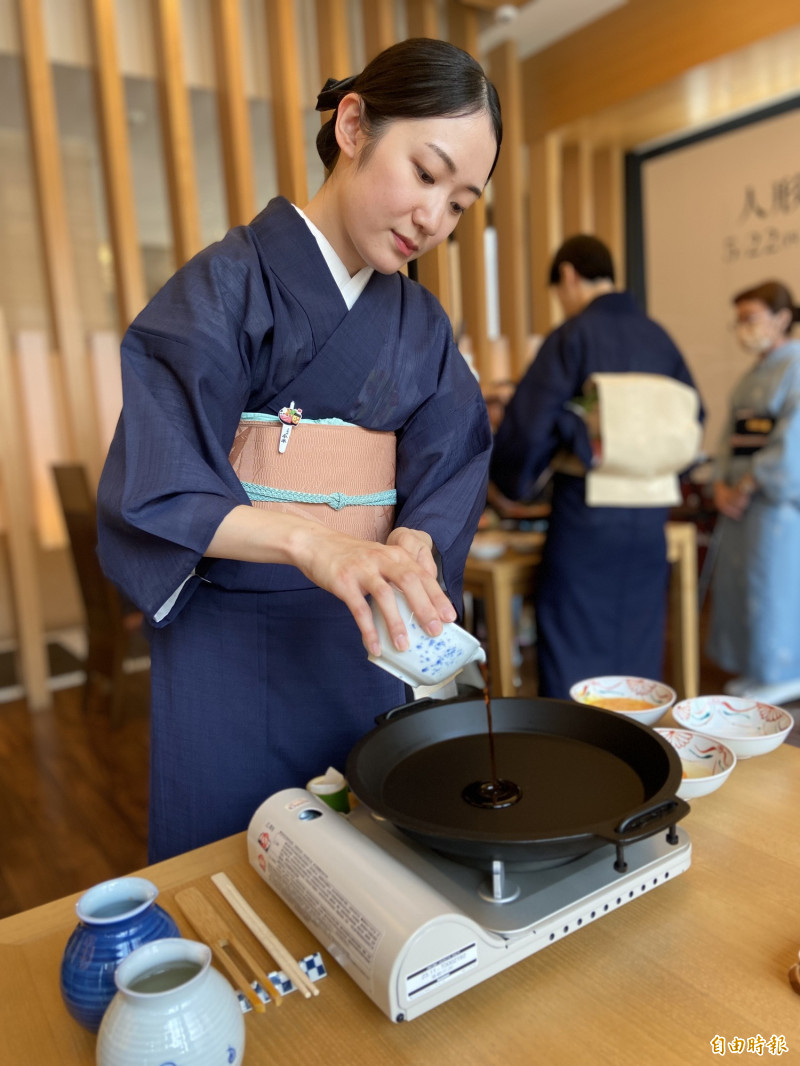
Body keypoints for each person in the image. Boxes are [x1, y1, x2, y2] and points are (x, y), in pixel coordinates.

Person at [96, 38, 502, 861]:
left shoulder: (421, 325)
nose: (434, 219)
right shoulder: (224, 285)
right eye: (426, 174)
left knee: (369, 862)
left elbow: (453, 457)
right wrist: (312, 543)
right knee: (231, 866)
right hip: (233, 635)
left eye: (460, 204)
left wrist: (417, 540)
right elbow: (159, 483)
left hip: (365, 634)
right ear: (352, 126)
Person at [490, 235, 701, 699]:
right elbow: (694, 420)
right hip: (649, 519)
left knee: (574, 640)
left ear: (568, 276)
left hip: (587, 517)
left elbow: (527, 429)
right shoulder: (660, 338)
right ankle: (636, 738)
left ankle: (576, 742)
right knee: (637, 639)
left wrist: (512, 481)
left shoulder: (573, 336)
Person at [706, 280, 800, 702]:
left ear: (782, 318)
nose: (744, 328)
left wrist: (748, 482)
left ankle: (784, 669)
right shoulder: (752, 376)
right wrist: (720, 484)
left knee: (773, 583)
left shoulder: (795, 366)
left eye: (751, 317)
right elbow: (729, 438)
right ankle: (755, 666)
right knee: (742, 584)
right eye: (739, 320)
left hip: (775, 502)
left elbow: (792, 441)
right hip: (741, 501)